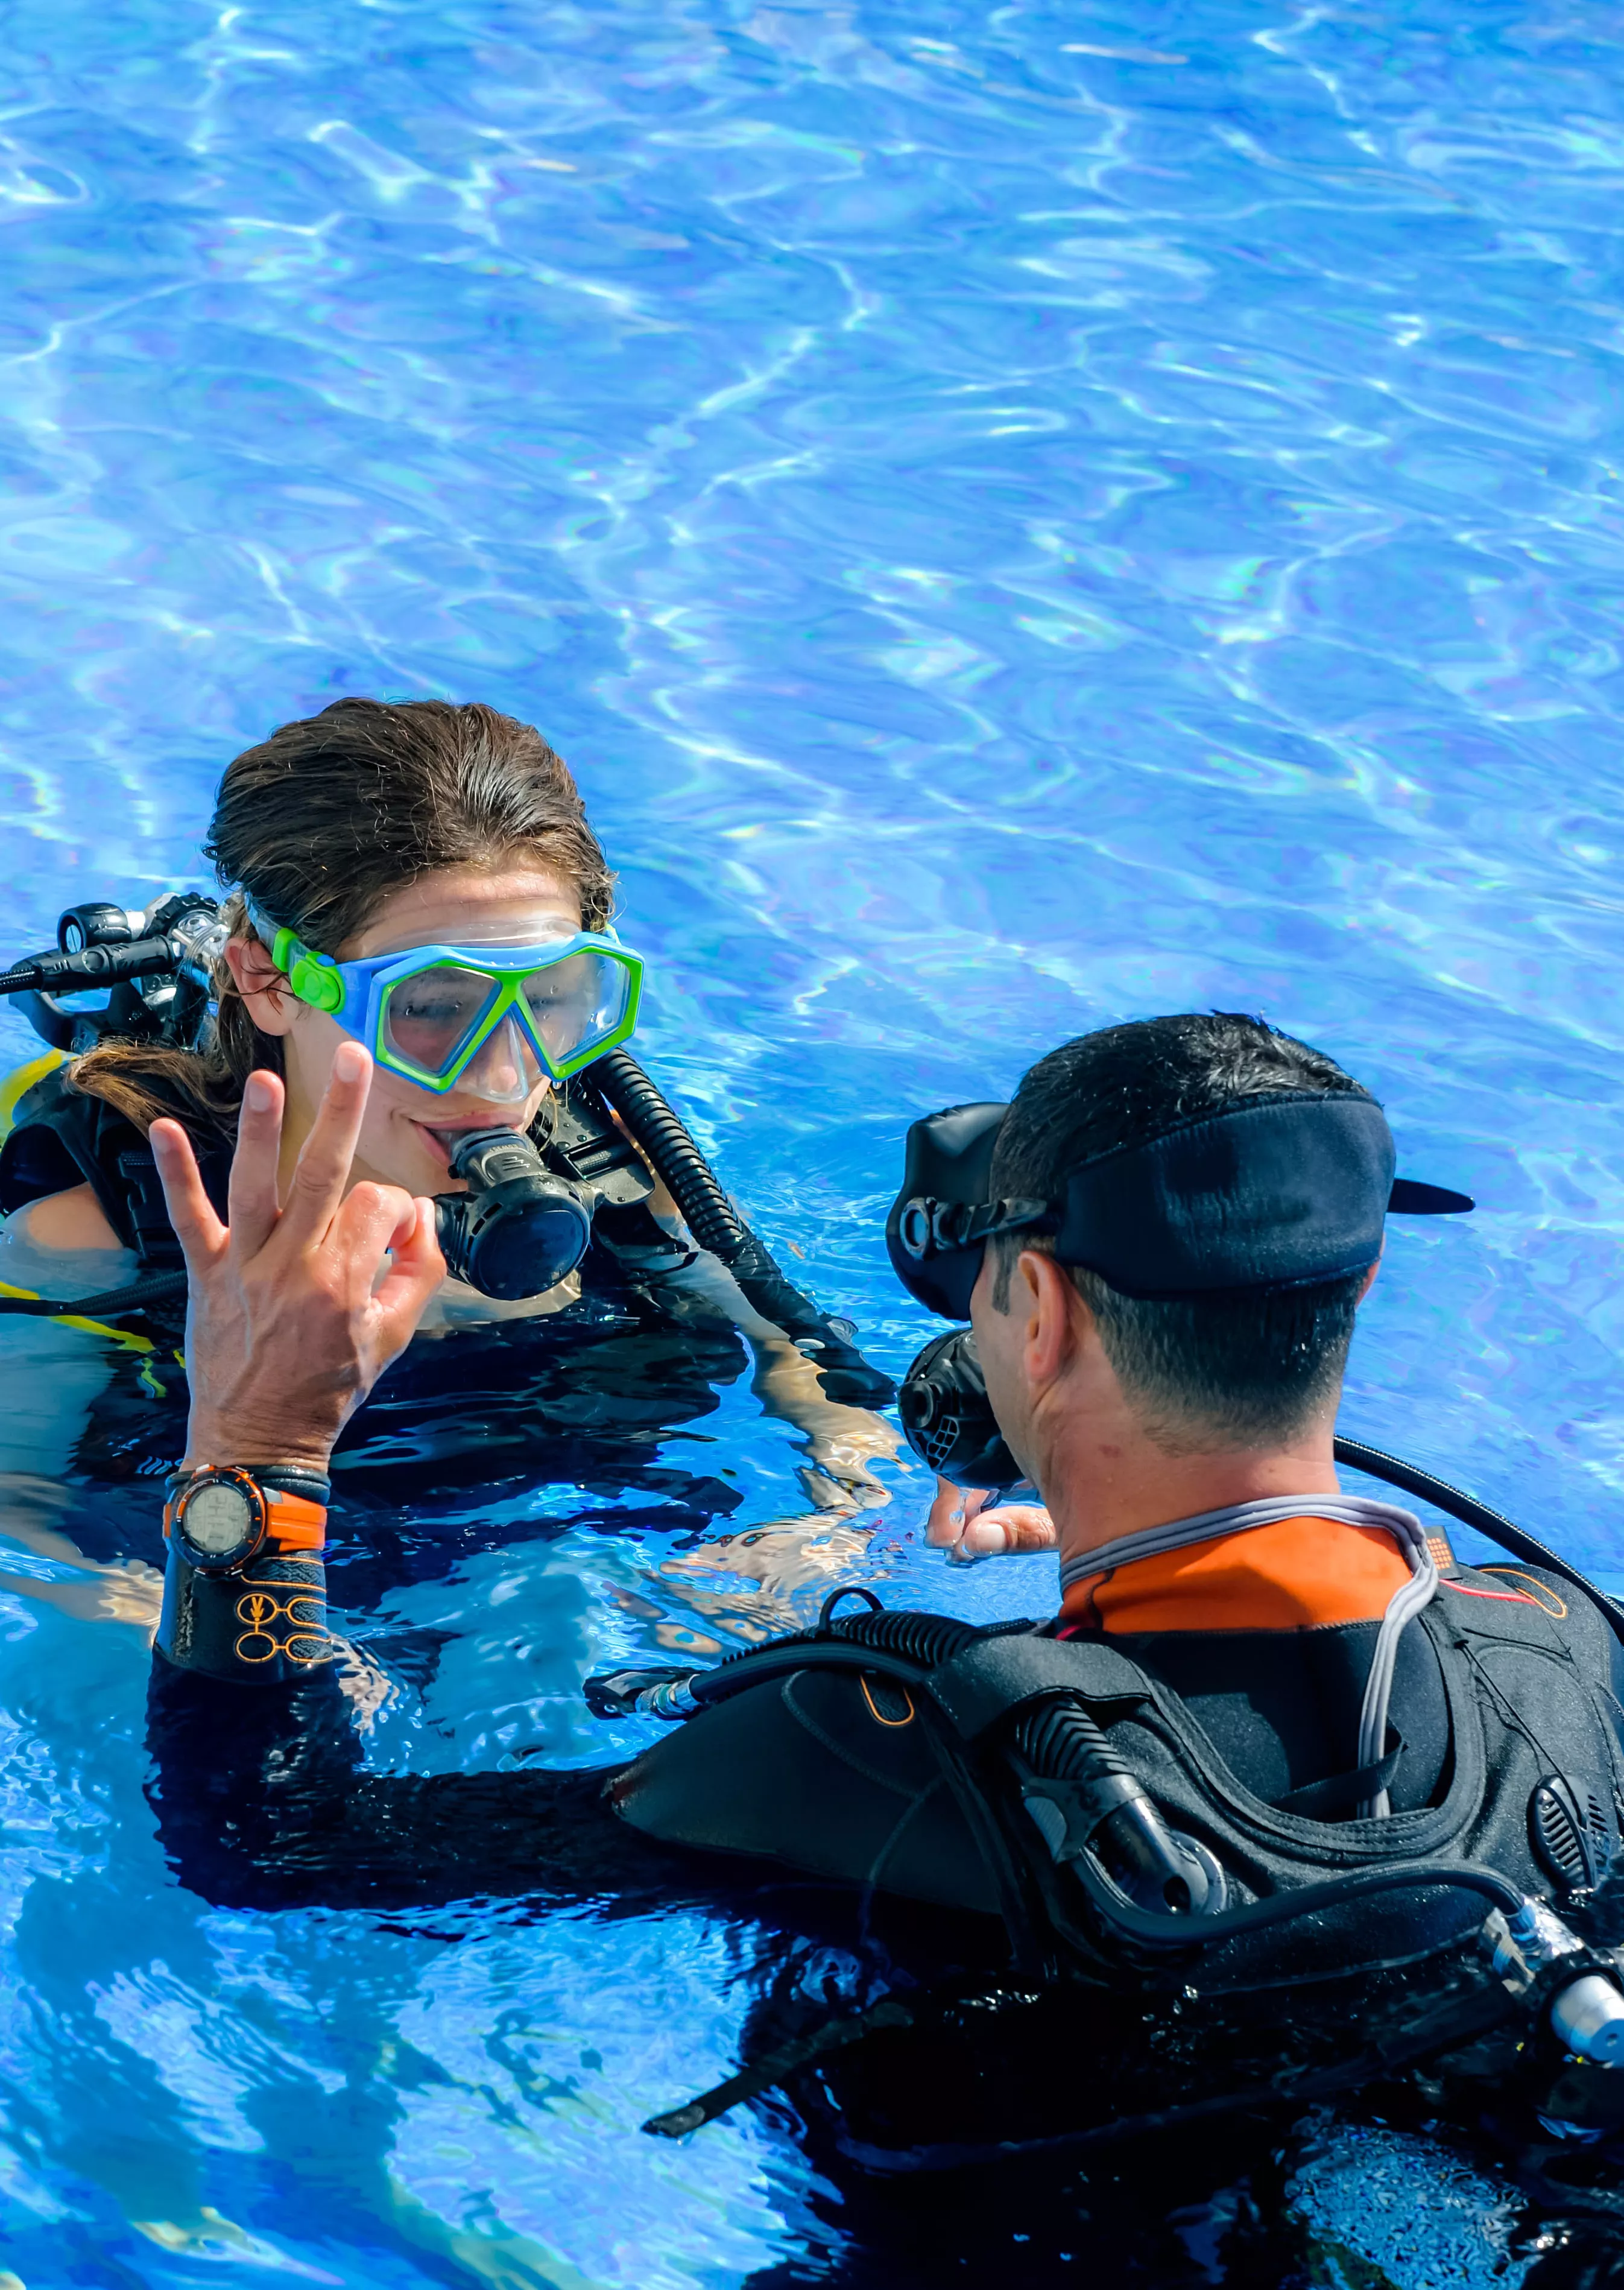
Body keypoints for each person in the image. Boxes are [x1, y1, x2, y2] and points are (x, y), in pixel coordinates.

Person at [142, 1010, 1624, 2152]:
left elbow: (272, 1838)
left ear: (1032, 1302)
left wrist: (259, 1448)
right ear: (1357, 1285)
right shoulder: (1566, 1649)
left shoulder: (876, 1746)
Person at [0, 697, 897, 1629]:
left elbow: (806, 1361)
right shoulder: (105, 1237)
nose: (505, 1073)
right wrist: (177, 1616)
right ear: (270, 981)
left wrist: (831, 1517)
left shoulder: (619, 1167)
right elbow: (19, 1510)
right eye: (428, 1006)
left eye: (550, 998)